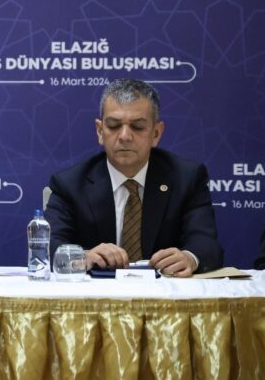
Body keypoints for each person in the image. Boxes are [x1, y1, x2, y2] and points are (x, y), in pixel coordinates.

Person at [44, 78, 223, 277]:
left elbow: (206, 244)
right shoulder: (70, 184)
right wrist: (83, 256)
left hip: (164, 293)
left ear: (156, 133)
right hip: (97, 292)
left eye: (137, 127)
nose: (125, 136)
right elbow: (48, 246)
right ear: (100, 131)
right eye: (113, 126)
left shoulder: (187, 178)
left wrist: (189, 258)